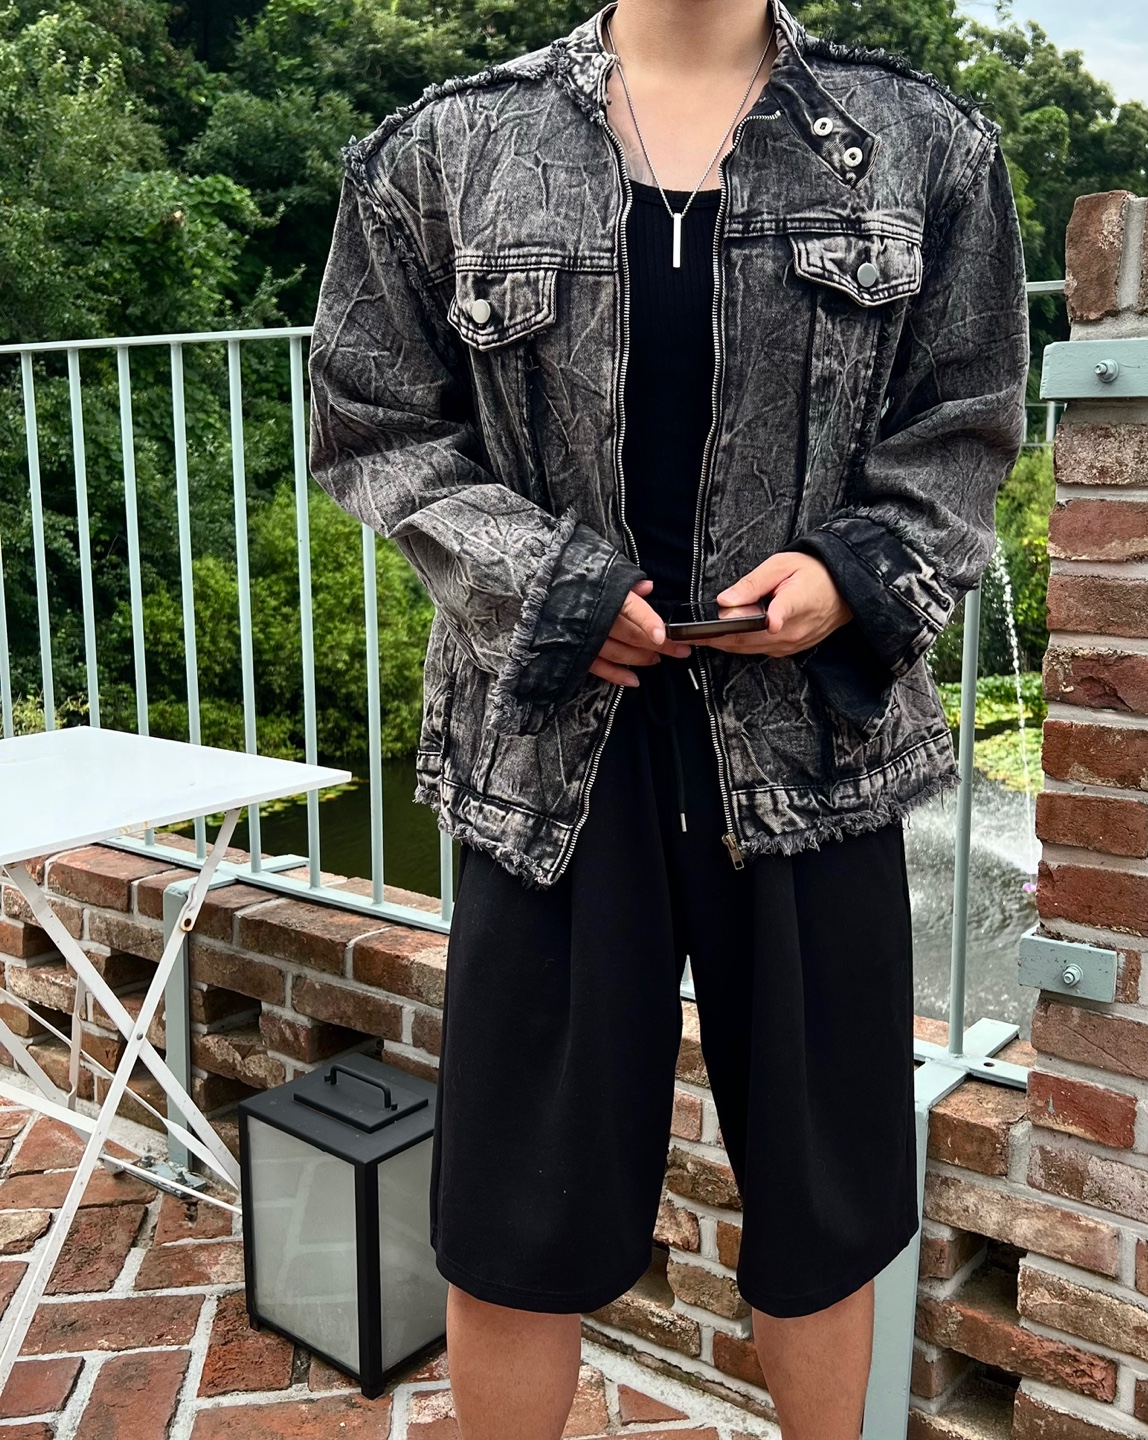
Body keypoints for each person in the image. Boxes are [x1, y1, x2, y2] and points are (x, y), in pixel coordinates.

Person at [308, 1, 1026, 1435]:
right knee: (514, 1219)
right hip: (546, 769)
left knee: (827, 1214)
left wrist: (854, 572)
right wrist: (549, 588)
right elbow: (374, 426)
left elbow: (967, 423)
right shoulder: (447, 149)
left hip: (818, 754)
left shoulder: (921, 145)